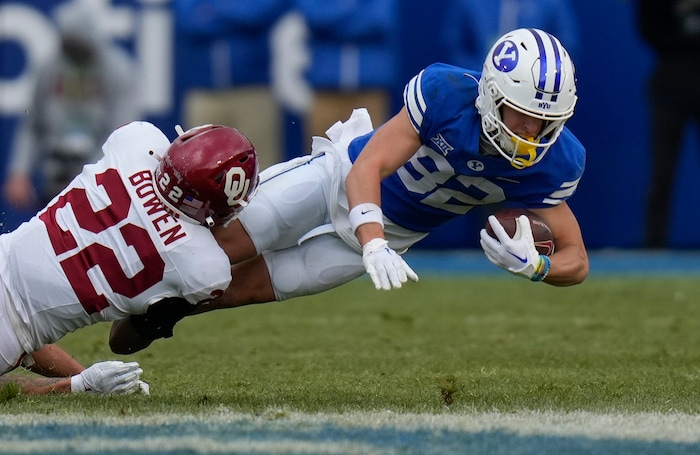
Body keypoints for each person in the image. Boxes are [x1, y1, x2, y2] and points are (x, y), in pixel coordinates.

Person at [110, 28, 588, 352]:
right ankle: (109, 278)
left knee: (241, 289)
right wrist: (373, 240)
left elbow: (578, 261)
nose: (531, 132)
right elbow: (368, 168)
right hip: (337, 180)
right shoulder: (446, 94)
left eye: (547, 121)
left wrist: (537, 267)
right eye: (521, 113)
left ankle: (163, 315)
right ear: (489, 94)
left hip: (391, 235)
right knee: (217, 248)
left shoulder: (556, 160)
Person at [0, 121, 260, 394]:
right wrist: (78, 385)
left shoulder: (137, 141)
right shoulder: (204, 269)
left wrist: (82, 380)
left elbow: (18, 319)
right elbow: (19, 328)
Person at [2, 0, 140, 211]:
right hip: (54, 176)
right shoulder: (51, 67)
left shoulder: (118, 70)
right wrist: (19, 172)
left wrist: (91, 178)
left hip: (97, 185)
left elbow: (121, 135)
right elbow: (33, 125)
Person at [174, 0, 292, 171]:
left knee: (261, 170)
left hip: (253, 92)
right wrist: (237, 12)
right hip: (205, 93)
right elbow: (190, 20)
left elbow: (257, 14)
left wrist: (212, 8)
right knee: (198, 166)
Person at [638, 1, 700, 248]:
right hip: (668, 87)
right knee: (661, 171)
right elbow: (649, 28)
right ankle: (654, 242)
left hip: (675, 79)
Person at [296, 0, 400, 148]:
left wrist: (336, 16)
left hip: (370, 88)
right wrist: (352, 7)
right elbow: (314, 17)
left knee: (370, 153)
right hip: (325, 89)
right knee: (320, 156)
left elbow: (379, 19)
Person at [441, 0, 580, 69]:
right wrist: (478, 74)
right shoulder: (471, 3)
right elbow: (452, 43)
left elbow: (566, 47)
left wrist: (537, 74)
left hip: (532, 91)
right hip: (475, 88)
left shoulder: (552, 4)